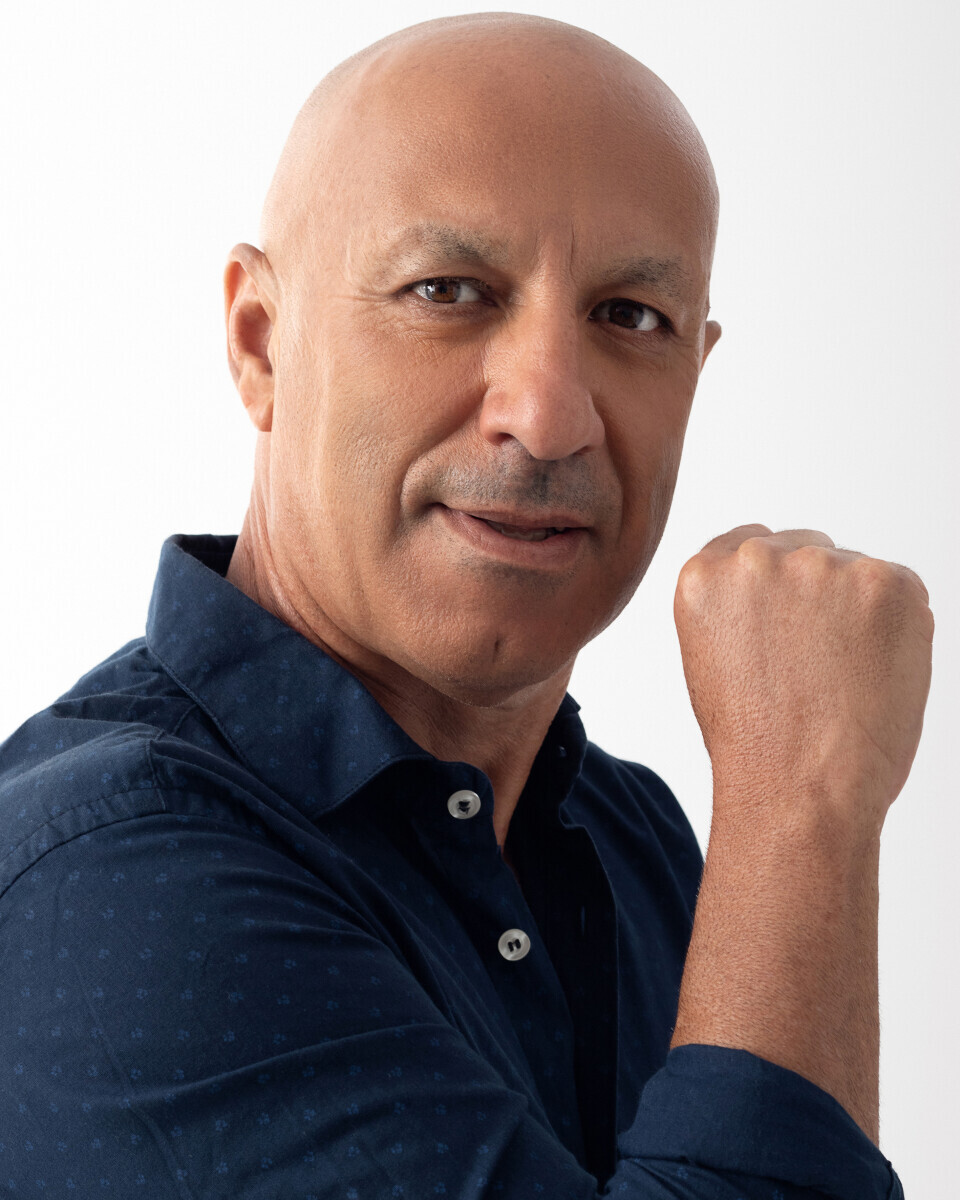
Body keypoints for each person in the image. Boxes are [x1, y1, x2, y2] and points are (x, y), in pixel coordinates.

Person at [0, 12, 931, 1197]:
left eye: (630, 317)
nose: (549, 417)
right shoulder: (113, 888)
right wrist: (801, 804)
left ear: (696, 371)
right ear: (261, 344)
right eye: (448, 291)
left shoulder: (631, 839)